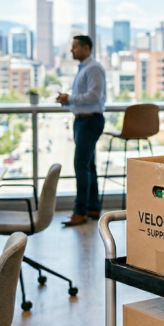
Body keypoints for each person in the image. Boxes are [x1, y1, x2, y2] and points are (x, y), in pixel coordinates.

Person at [57, 35, 106, 227]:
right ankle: (93, 207)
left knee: (80, 165)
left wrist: (71, 99)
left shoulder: (93, 68)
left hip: (89, 121)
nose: (71, 50)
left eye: (75, 47)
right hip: (83, 121)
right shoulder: (84, 69)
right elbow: (84, 97)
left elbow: (95, 95)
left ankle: (80, 211)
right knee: (88, 165)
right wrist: (68, 101)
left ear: (86, 48)